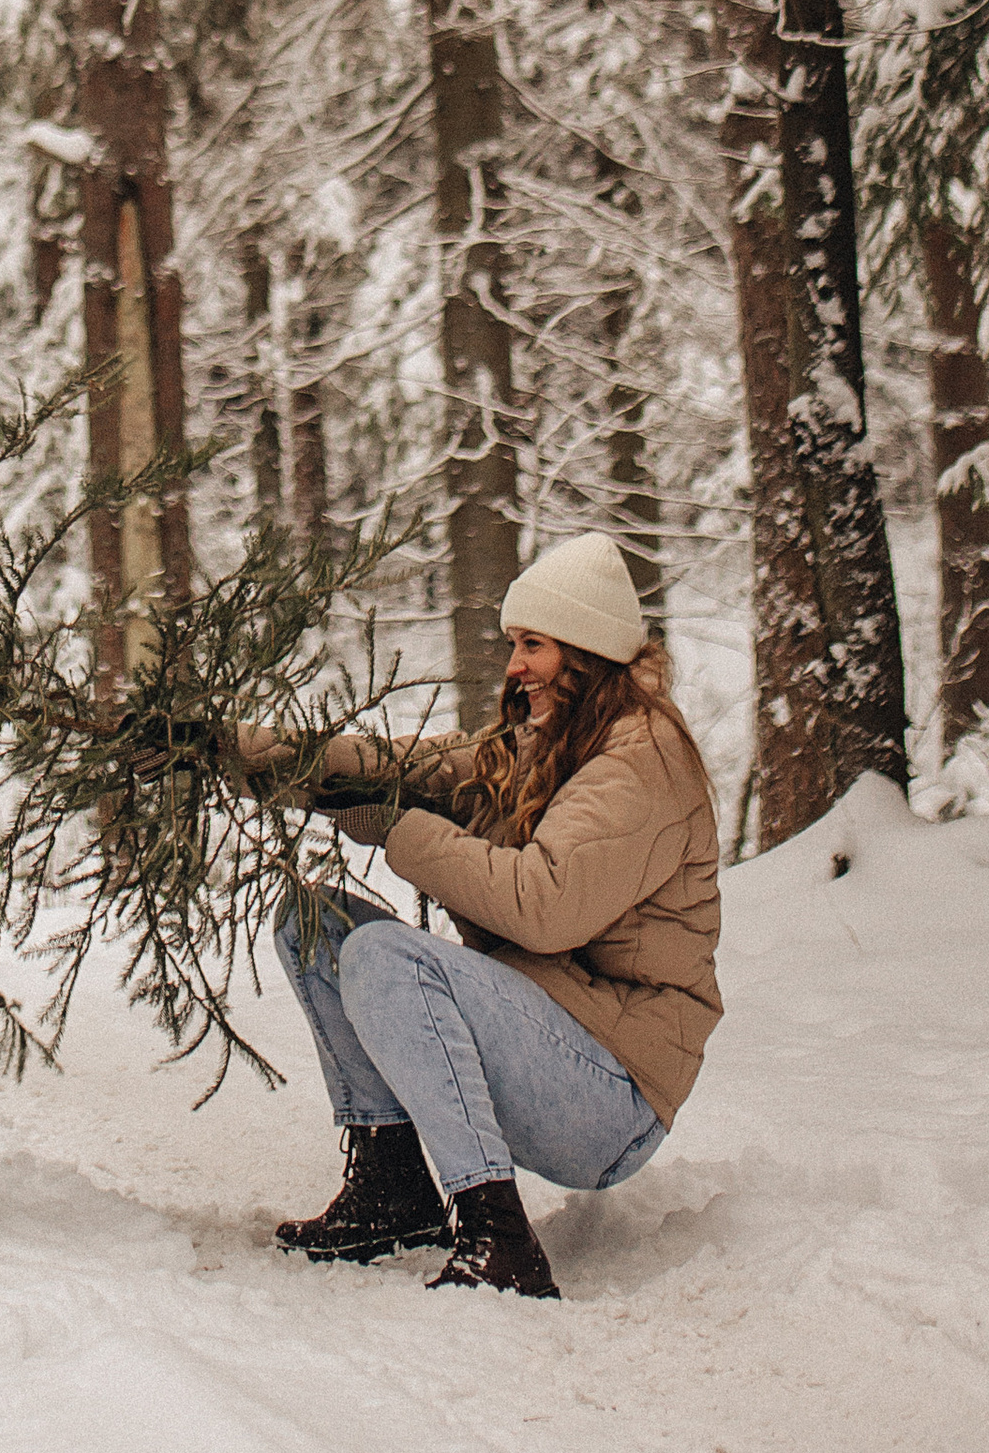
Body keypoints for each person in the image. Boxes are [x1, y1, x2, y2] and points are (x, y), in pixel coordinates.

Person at [268, 531, 720, 1299]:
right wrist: (242, 753)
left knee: (383, 956)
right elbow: (411, 763)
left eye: (532, 645)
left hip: (614, 1095)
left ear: (584, 650)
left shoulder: (640, 760)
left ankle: (499, 1239)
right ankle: (393, 1191)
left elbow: (543, 908)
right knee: (314, 922)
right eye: (515, 644)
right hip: (554, 1040)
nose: (514, 666)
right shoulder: (544, 742)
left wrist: (402, 831)